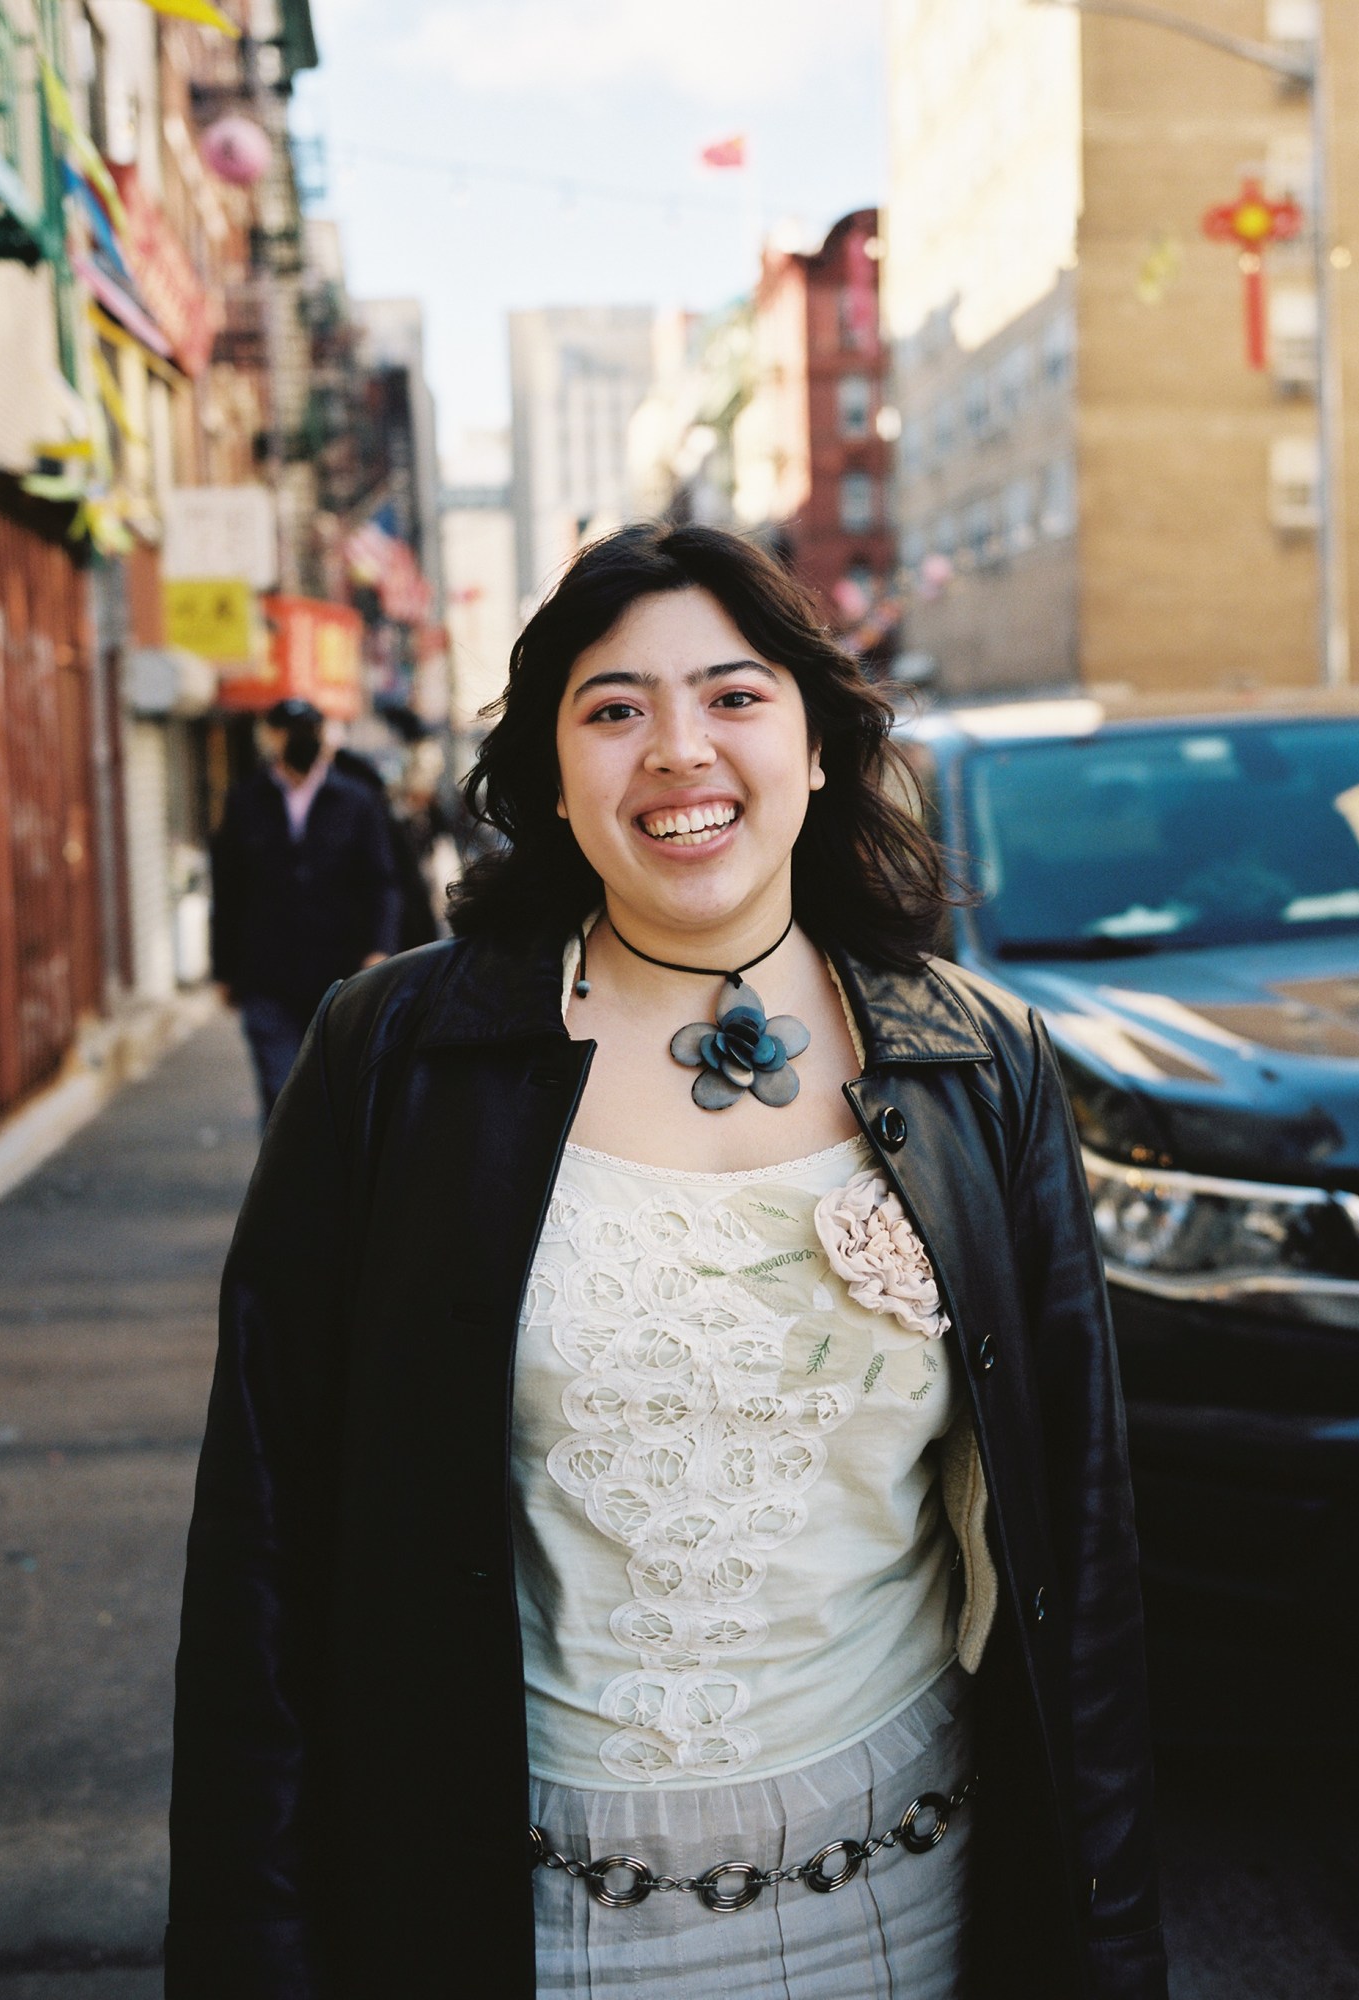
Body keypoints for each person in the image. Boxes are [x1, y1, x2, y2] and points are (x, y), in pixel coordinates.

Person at [167, 525, 1167, 1999]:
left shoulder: (978, 1062)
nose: (679, 752)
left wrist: (1113, 1947)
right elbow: (260, 1553)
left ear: (817, 745)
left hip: (921, 1897)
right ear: (553, 777)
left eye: (734, 696)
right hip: (519, 1916)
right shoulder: (390, 1059)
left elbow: (1080, 1555)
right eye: (615, 708)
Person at [208, 697, 400, 1120]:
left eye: (308, 731)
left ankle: (330, 1184)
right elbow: (228, 888)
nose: (298, 741)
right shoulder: (245, 802)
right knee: (281, 1092)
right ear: (270, 737)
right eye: (288, 732)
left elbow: (382, 882)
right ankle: (282, 1185)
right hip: (267, 975)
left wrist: (379, 950)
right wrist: (223, 968)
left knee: (336, 1092)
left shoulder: (356, 801)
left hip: (340, 975)